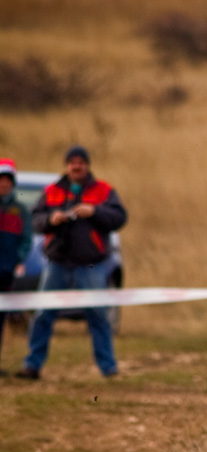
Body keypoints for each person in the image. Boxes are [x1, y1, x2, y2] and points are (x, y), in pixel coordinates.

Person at [17, 145, 127, 380]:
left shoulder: (103, 191)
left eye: (81, 162)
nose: (76, 166)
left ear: (87, 165)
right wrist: (51, 219)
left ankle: (108, 368)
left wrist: (94, 212)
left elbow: (119, 217)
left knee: (98, 315)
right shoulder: (52, 191)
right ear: (67, 165)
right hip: (57, 262)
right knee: (43, 314)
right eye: (72, 162)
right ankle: (32, 365)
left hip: (90, 264)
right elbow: (35, 221)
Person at [0, 159, 33, 376]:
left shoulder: (20, 210)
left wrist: (16, 260)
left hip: (5, 272)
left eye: (6, 181)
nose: (3, 185)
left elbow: (27, 240)